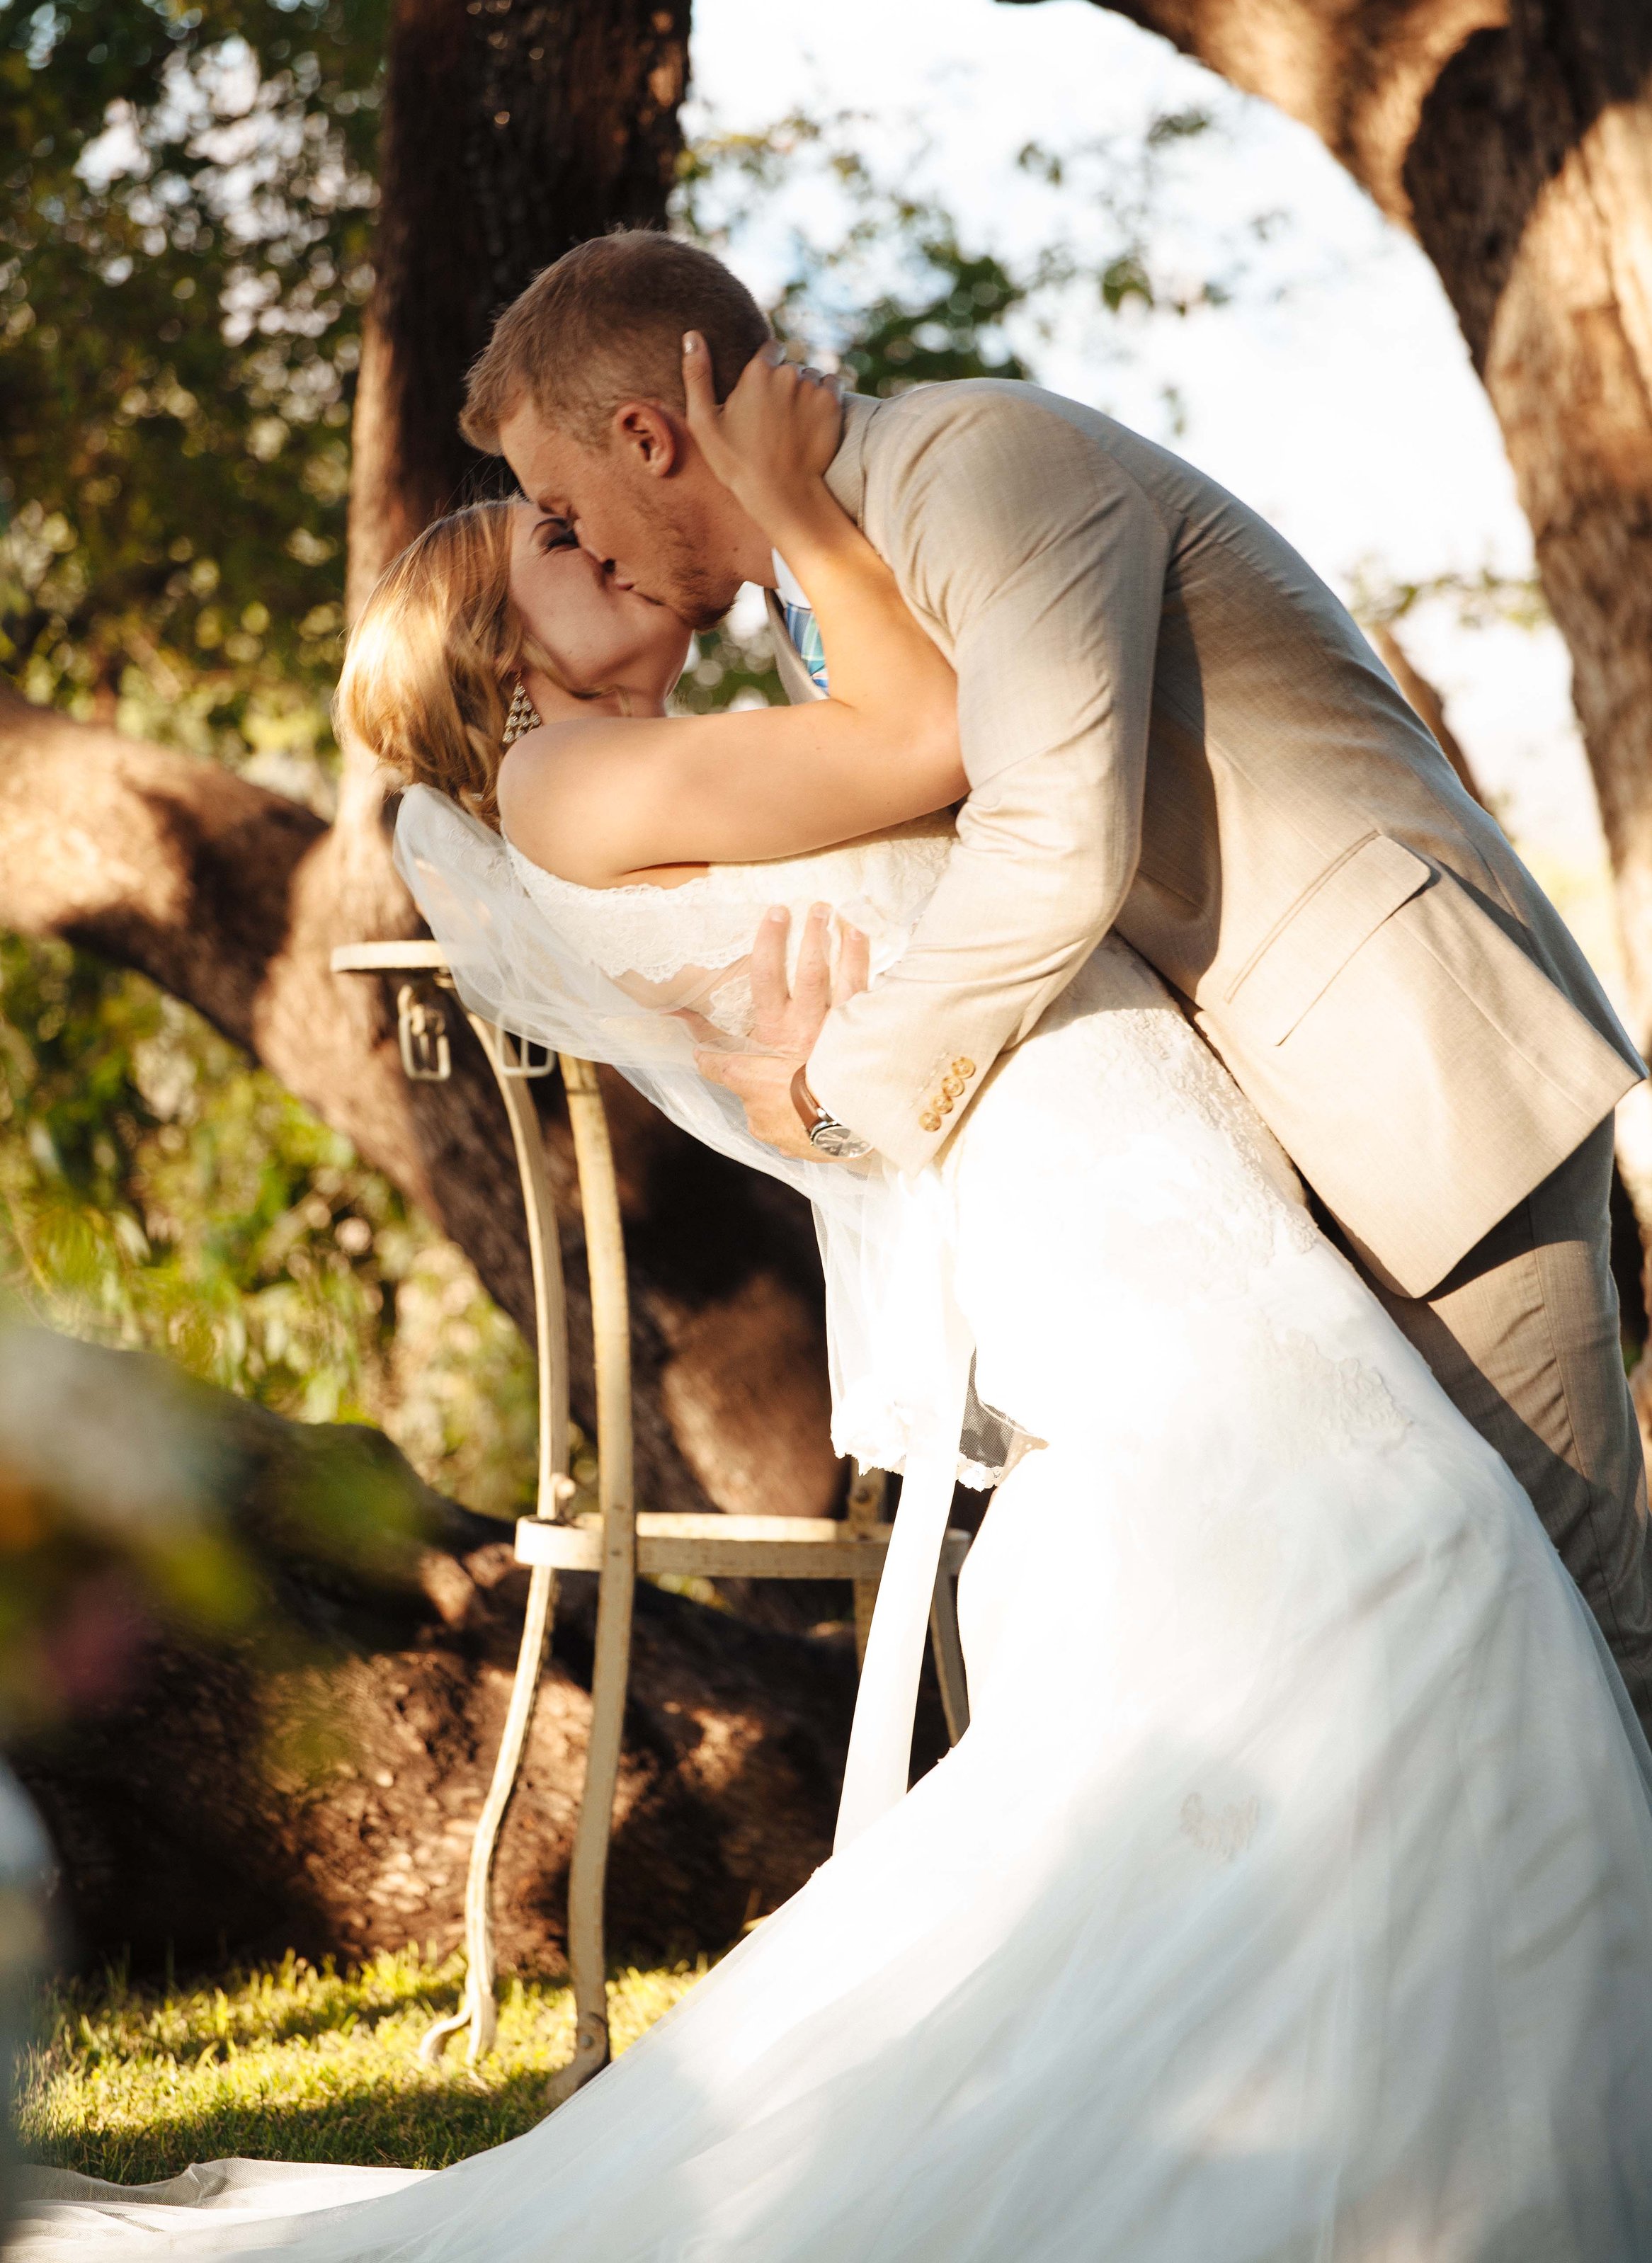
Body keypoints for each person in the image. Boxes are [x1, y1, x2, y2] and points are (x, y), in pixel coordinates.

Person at [19, 338, 1652, 2262]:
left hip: (1127, 1164)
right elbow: (941, 742)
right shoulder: (564, 779)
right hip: (1093, 1188)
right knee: (1406, 1562)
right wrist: (793, 504)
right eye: (541, 536)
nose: (585, 538)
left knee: (1398, 1572)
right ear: (486, 639)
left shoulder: (634, 762)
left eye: (573, 507)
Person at [459, 227, 1652, 1752]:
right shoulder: (840, 583)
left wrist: (838, 1085)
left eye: (564, 507)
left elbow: (1052, 833)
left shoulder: (979, 464)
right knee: (1480, 1647)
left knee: (1592, 1629)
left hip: (1410, 1070)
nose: (585, 545)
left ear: (646, 434)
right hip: (1285, 1125)